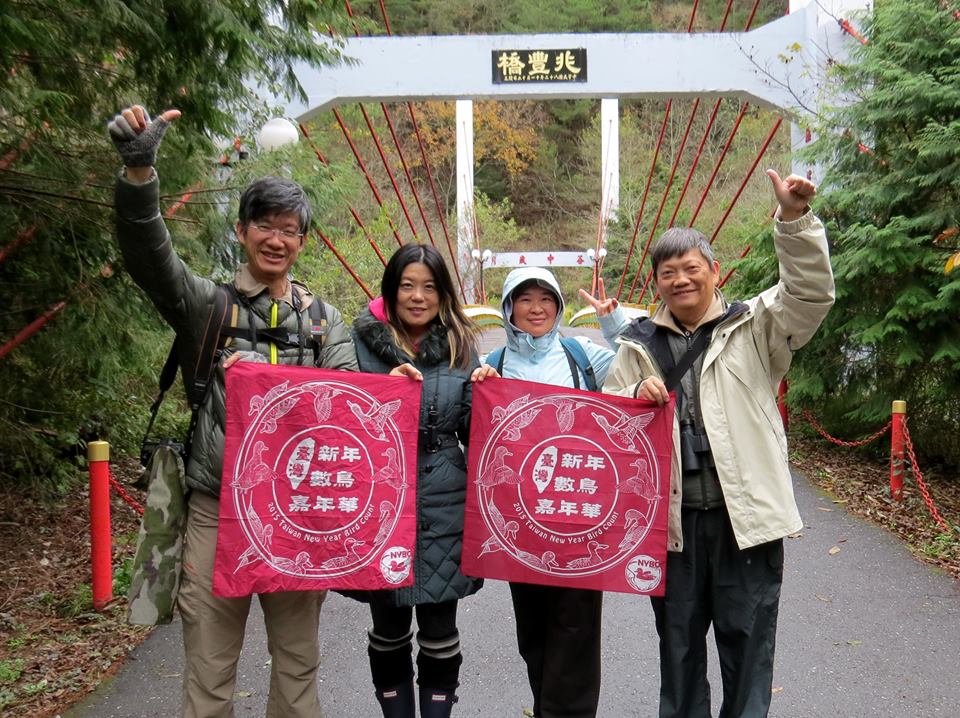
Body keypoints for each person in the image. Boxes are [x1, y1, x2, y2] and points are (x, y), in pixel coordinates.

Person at [108, 105, 357, 718]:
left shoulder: (327, 323)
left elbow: (355, 409)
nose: (277, 238)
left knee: (298, 670)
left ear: (303, 240)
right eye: (265, 225)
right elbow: (151, 260)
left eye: (290, 229)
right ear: (243, 231)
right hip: (217, 510)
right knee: (209, 668)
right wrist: (140, 172)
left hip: (297, 517)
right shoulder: (208, 307)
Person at [603, 169, 835, 718]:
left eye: (690, 269)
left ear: (713, 271)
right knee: (678, 654)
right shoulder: (636, 344)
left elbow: (809, 293)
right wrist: (635, 392)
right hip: (672, 529)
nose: (681, 280)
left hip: (743, 521)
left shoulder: (756, 325)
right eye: (668, 273)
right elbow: (609, 417)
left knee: (749, 648)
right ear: (656, 282)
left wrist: (795, 222)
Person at [472, 268, 628, 718]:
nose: (536, 308)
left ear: (559, 308)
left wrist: (613, 325)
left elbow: (639, 363)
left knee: (576, 624)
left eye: (546, 299)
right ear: (509, 308)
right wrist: (480, 392)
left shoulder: (582, 355)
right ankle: (548, 707)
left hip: (580, 515)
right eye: (525, 299)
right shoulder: (495, 364)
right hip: (521, 521)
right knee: (534, 627)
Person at [350, 243, 485, 718]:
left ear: (442, 292)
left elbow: (474, 429)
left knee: (440, 630)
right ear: (390, 289)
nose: (417, 296)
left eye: (429, 286)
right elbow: (332, 405)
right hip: (381, 498)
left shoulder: (461, 344)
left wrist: (487, 396)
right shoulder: (359, 344)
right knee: (387, 628)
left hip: (444, 498)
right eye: (406, 285)